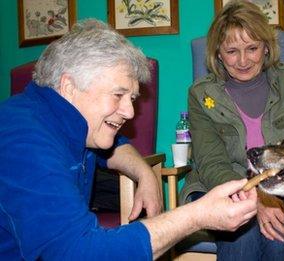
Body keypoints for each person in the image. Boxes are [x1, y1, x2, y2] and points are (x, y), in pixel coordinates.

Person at [0, 19, 257, 260]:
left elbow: (115, 146)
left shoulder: (65, 119)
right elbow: (81, 252)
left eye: (132, 98)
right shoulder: (24, 143)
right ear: (69, 86)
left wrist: (144, 172)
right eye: (118, 94)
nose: (130, 112)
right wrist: (197, 216)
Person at [179, 1, 284, 260]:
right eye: (231, 51)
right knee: (240, 230)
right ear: (217, 53)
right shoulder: (200, 94)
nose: (243, 60)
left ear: (266, 47)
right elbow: (211, 162)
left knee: (279, 237)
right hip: (221, 188)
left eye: (252, 48)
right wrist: (256, 197)